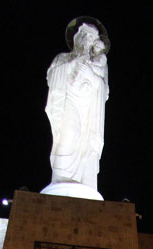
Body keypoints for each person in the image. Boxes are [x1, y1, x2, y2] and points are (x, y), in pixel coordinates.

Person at [45, 18, 109, 191]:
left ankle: (85, 183)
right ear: (78, 38)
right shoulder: (63, 58)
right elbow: (53, 78)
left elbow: (104, 91)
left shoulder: (99, 63)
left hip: (89, 112)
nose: (88, 41)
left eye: (92, 38)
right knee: (68, 136)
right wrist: (72, 65)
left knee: (87, 146)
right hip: (70, 104)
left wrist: (91, 75)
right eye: (86, 36)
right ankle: (62, 180)